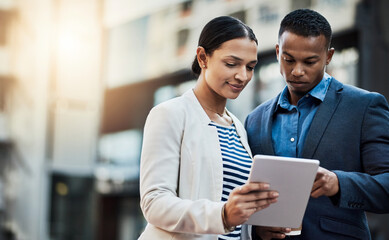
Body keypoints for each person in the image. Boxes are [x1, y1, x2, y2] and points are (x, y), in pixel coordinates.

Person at [245, 8, 389, 240]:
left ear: (329, 56)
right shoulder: (255, 119)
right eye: (288, 60)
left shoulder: (365, 106)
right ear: (277, 51)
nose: (297, 71)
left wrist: (338, 183)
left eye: (310, 61)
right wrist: (256, 229)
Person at [139, 16, 280, 240]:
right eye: (231, 63)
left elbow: (228, 205)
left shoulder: (238, 128)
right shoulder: (170, 114)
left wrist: (255, 230)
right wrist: (222, 215)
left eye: (250, 67)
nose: (242, 76)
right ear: (203, 57)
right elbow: (154, 202)